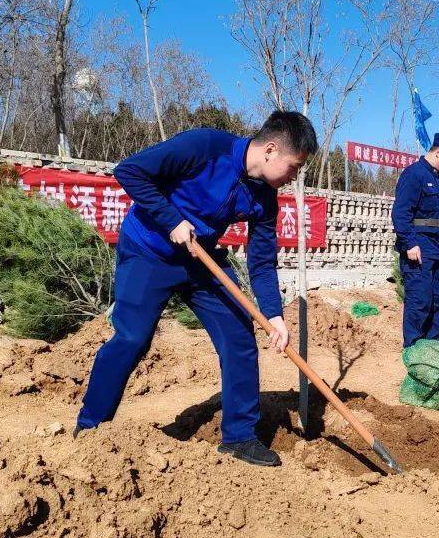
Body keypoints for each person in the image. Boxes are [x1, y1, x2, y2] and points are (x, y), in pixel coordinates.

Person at [74, 111, 318, 467]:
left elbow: (262, 262)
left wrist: (275, 314)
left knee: (238, 336)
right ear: (270, 150)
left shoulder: (265, 198)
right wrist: (171, 220)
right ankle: (90, 426)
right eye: (294, 167)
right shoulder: (204, 146)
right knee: (132, 338)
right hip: (148, 252)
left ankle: (239, 437)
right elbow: (130, 171)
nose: (294, 177)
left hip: (201, 259)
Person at [392, 132, 439, 348]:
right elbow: (401, 212)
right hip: (418, 246)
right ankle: (413, 348)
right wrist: (409, 243)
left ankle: (430, 343)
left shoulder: (436, 177)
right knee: (419, 300)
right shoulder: (414, 174)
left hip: (435, 248)